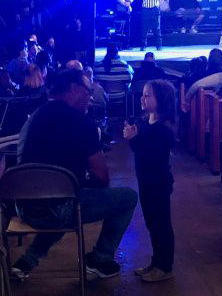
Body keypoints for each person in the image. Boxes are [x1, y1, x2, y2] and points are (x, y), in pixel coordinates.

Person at [12, 68, 137, 281]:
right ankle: (100, 258)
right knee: (125, 197)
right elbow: (102, 176)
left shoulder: (35, 116)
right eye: (88, 90)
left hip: (22, 206)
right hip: (59, 207)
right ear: (73, 88)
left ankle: (28, 260)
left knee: (61, 196)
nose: (90, 96)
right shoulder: (82, 123)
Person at [123, 79, 175, 282]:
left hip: (158, 182)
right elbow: (140, 149)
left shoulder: (164, 129)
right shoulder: (145, 122)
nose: (142, 98)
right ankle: (156, 262)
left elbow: (150, 155)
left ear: (160, 100)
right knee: (152, 224)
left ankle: (165, 266)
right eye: (142, 94)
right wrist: (133, 136)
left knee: (161, 224)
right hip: (145, 180)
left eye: (147, 95)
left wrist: (134, 138)